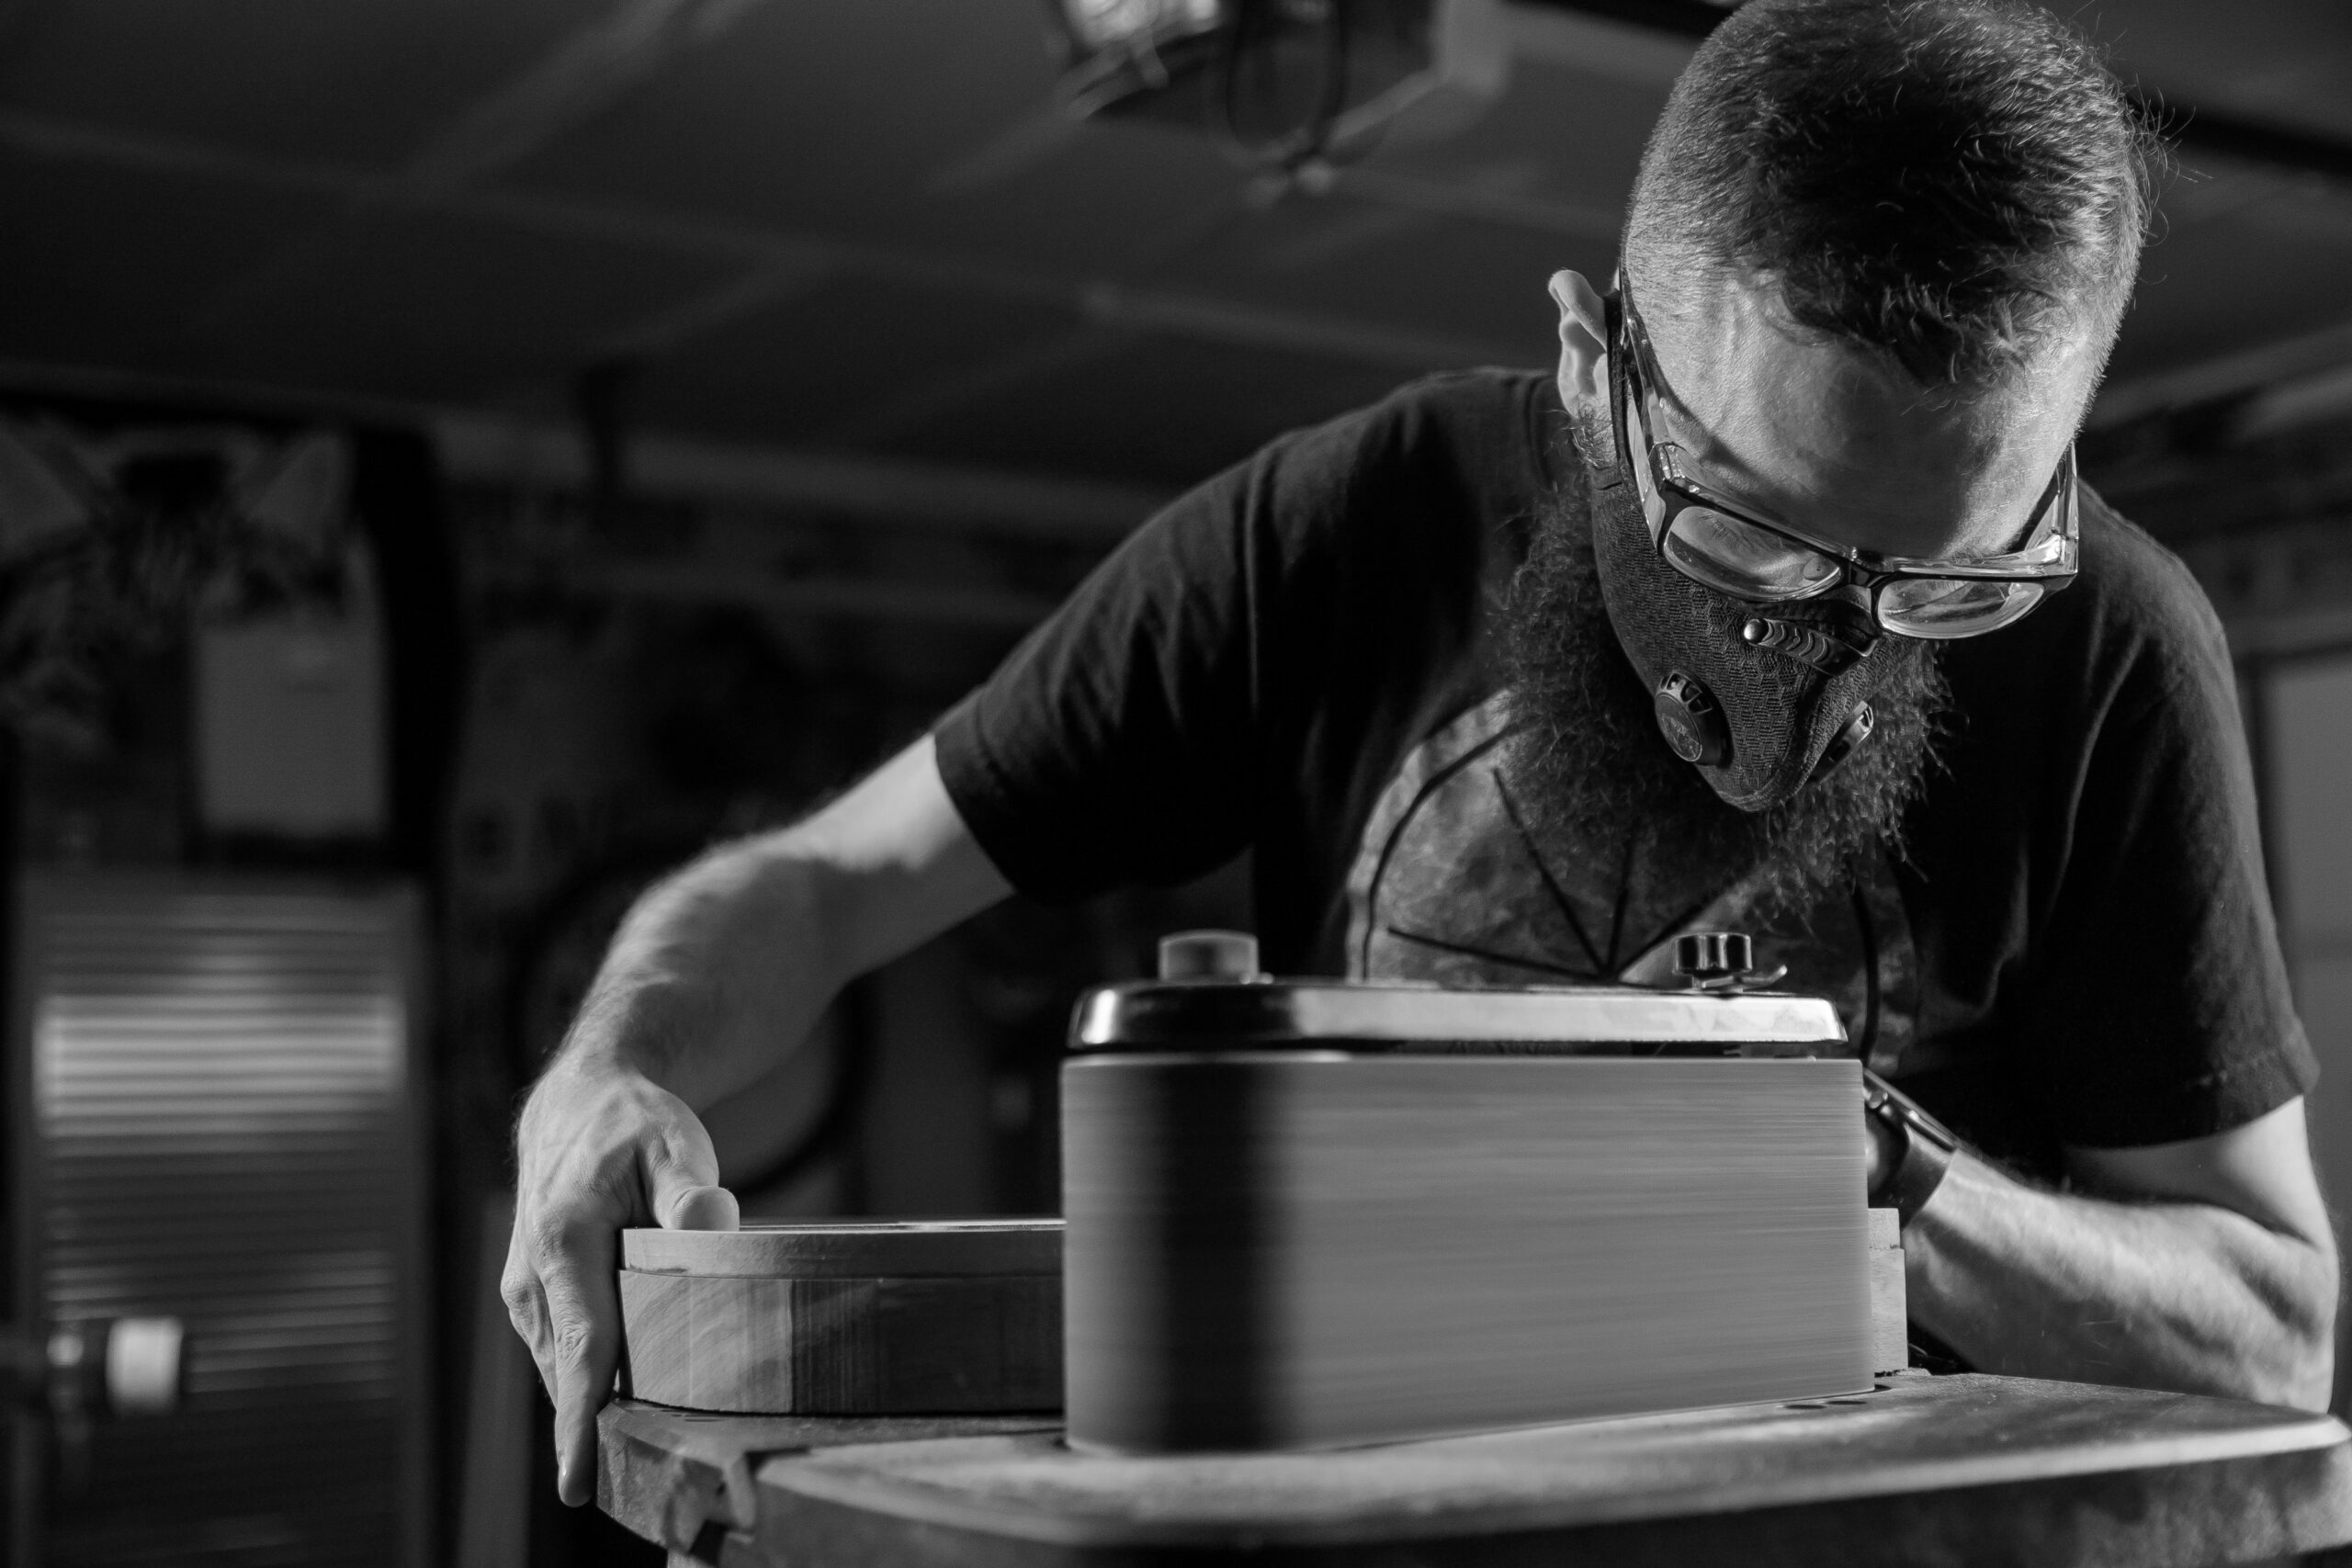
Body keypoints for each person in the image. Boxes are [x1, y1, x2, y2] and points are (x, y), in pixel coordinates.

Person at [504, 0, 2340, 1505]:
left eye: (1940, 577)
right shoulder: (1334, 536)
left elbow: (2267, 1328)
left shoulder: (2106, 635)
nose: (1834, 643)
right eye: (1752, 538)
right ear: (1586, 370)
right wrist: (611, 1065)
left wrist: (1871, 1166)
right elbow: (828, 881)